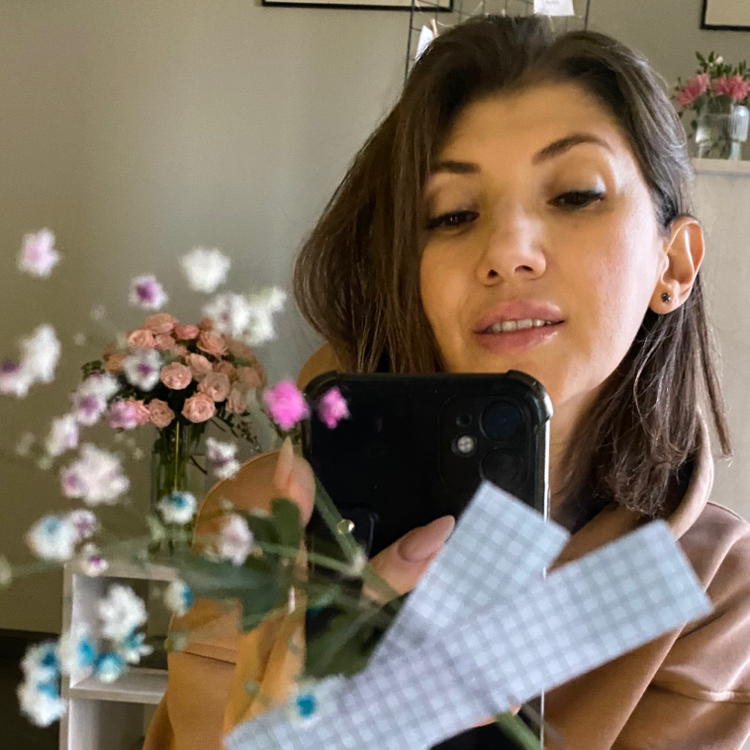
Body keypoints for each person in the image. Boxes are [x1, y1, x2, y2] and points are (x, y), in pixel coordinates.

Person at [144, 15, 750, 750]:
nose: (508, 251)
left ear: (674, 264)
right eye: (453, 214)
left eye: (575, 195)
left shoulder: (717, 584)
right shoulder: (264, 524)